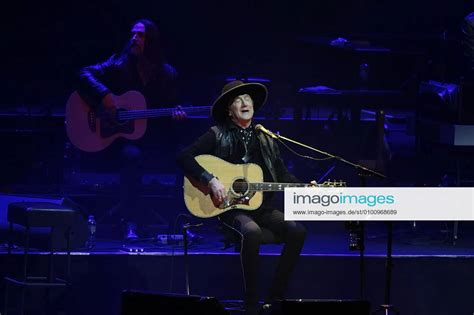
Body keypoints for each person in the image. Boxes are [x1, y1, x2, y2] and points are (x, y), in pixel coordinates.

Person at [176, 80, 310, 315]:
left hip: (262, 209)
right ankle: (251, 304)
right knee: (252, 232)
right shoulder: (217, 134)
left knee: (297, 230)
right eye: (238, 99)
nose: (245, 102)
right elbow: (184, 157)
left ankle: (275, 298)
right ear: (229, 109)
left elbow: (281, 174)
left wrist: (304, 186)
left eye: (248, 98)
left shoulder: (266, 138)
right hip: (229, 209)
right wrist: (211, 179)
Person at [76, 18, 184, 240]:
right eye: (133, 34)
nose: (134, 38)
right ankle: (130, 221)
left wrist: (177, 115)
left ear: (152, 41)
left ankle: (177, 224)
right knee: (132, 156)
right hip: (117, 141)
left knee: (186, 157)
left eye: (141, 35)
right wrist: (105, 95)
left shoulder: (167, 74)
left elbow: (172, 108)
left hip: (153, 141)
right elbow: (83, 73)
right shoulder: (118, 65)